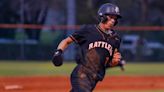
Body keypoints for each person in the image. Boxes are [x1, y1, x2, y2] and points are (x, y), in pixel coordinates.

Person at [52, 3, 125, 92]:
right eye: (111, 17)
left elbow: (106, 63)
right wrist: (58, 52)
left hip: (94, 79)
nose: (113, 20)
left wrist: (114, 62)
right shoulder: (88, 30)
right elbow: (66, 41)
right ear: (102, 16)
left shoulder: (116, 39)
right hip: (81, 74)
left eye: (115, 18)